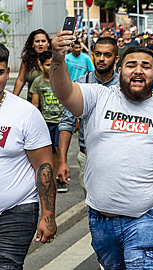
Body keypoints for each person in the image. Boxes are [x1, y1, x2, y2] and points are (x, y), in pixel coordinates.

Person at [51, 30, 153, 269]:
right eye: (131, 65)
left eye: (146, 66)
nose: (138, 70)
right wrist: (58, 57)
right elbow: (64, 91)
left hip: (150, 217)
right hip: (101, 219)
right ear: (120, 70)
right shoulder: (99, 96)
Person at [0, 43, 57, 269]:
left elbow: (43, 165)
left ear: (7, 72)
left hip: (18, 208)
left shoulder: (25, 113)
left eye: (0, 72)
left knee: (8, 265)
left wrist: (48, 216)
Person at [57, 37, 120, 196]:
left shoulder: (124, 86)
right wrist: (62, 160)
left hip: (119, 153)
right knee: (92, 202)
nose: (101, 59)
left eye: (107, 55)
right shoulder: (80, 85)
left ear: (116, 58)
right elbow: (67, 123)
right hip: (88, 154)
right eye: (98, 54)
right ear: (92, 55)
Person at [30, 51, 66, 193]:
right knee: (47, 150)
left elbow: (67, 99)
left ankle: (58, 177)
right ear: (41, 65)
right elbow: (35, 104)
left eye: (52, 65)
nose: (50, 68)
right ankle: (48, 178)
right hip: (45, 122)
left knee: (58, 148)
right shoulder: (38, 82)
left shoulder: (59, 80)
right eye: (47, 65)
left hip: (60, 121)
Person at [13, 29, 50, 101]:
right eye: (37, 41)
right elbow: (21, 80)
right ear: (32, 44)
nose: (40, 44)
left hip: (51, 101)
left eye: (43, 41)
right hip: (32, 100)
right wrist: (13, 99)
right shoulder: (27, 59)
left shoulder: (55, 58)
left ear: (48, 43)